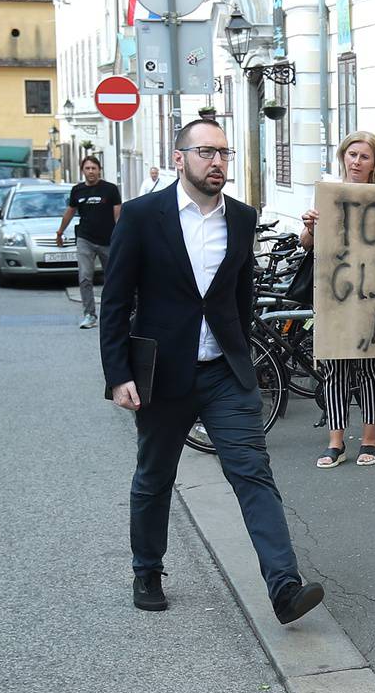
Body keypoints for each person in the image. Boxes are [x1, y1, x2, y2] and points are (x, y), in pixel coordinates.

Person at [99, 117, 324, 623]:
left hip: (225, 371)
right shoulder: (140, 216)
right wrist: (119, 374)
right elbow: (115, 303)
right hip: (163, 375)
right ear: (180, 158)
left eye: (223, 152)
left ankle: (284, 586)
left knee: (253, 475)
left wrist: (240, 346)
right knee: (155, 475)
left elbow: (239, 294)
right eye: (205, 152)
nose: (217, 161)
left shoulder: (243, 218)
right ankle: (147, 569)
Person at [300, 131, 375, 468]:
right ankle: (335, 441)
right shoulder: (328, 195)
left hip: (372, 297)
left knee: (369, 369)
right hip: (334, 296)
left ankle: (371, 439)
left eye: (364, 156)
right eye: (352, 154)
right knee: (335, 368)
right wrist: (310, 226)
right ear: (343, 156)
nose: (356, 161)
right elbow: (306, 244)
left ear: (374, 162)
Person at [59, 155, 122, 329]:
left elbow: (118, 215)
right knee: (85, 277)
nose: (91, 171)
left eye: (94, 168)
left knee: (113, 279)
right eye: (87, 168)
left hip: (108, 240)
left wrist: (121, 236)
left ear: (99, 170)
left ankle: (112, 315)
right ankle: (89, 314)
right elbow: (70, 212)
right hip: (85, 239)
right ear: (83, 171)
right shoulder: (77, 190)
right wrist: (60, 232)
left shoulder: (110, 190)